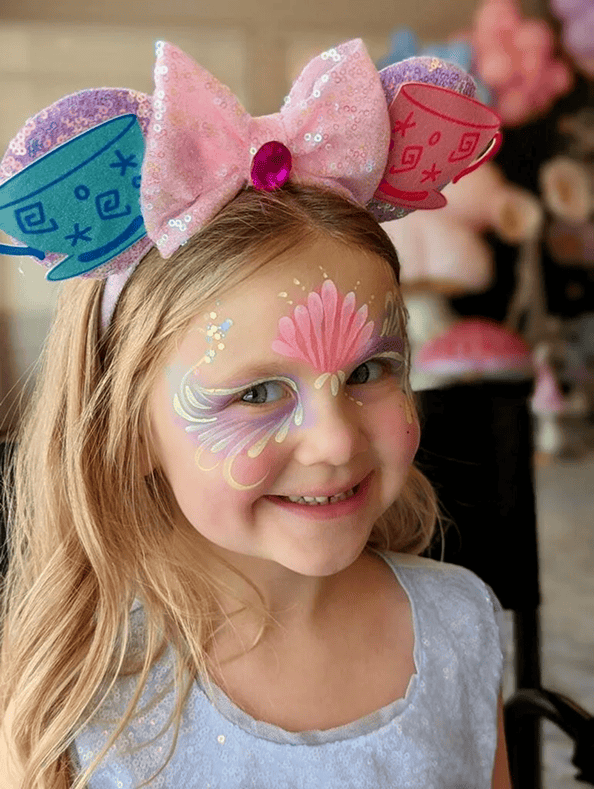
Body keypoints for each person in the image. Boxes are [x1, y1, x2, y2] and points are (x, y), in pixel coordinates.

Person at [0, 38, 511, 788]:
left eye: (369, 370)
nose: (335, 440)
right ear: (133, 430)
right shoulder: (73, 682)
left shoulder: (460, 626)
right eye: (258, 392)